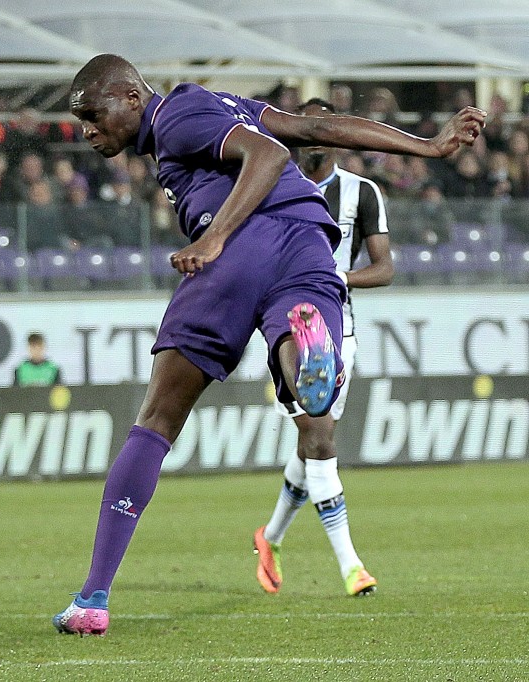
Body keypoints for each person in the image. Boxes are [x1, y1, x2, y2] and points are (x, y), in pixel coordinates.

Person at [52, 54, 484, 636]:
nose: (87, 130)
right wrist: (426, 146)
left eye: (92, 114)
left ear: (132, 97)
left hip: (238, 248)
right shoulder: (222, 106)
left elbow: (270, 155)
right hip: (309, 242)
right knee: (301, 374)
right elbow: (315, 128)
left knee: (155, 423)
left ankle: (93, 599)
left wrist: (215, 237)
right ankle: (305, 357)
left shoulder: (176, 114)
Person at [253, 98, 395, 600]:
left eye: (323, 127)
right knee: (319, 441)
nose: (313, 136)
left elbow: (385, 268)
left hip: (341, 332)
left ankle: (269, 538)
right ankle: (352, 566)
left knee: (314, 442)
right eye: (305, 128)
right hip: (291, 330)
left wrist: (339, 278)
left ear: (336, 135)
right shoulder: (268, 182)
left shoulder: (362, 192)